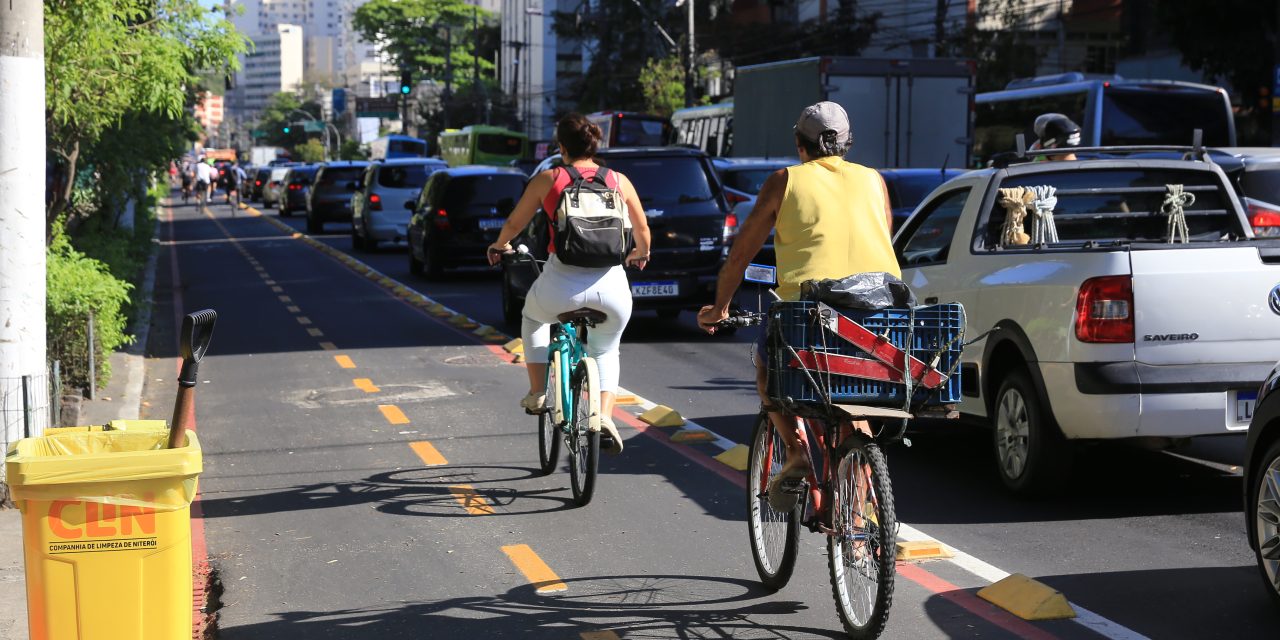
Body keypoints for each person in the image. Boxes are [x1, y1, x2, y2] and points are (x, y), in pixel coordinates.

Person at [695, 101, 900, 497]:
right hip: (879, 316)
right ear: (847, 143)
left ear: (799, 143)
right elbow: (882, 237)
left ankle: (795, 451)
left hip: (808, 316)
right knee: (856, 403)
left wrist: (719, 309)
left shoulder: (784, 180)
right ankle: (857, 531)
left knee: (767, 373)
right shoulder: (874, 180)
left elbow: (740, 255)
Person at [486, 113, 653, 454]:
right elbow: (643, 233)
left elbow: (515, 223)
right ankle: (604, 416)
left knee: (533, 318)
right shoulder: (619, 180)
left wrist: (499, 245)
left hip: (561, 284)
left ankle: (538, 392)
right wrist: (639, 253)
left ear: (560, 146)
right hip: (612, 289)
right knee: (606, 348)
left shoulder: (549, 178)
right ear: (595, 144)